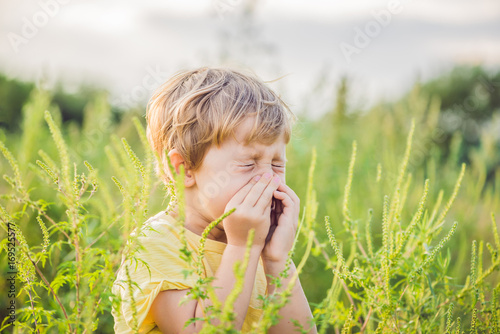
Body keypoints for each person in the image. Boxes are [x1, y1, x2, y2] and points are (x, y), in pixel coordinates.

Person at [111, 67, 317, 333]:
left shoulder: (258, 246)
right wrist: (242, 248)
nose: (269, 181)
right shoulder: (156, 245)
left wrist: (278, 260)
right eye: (248, 164)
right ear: (183, 169)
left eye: (277, 165)